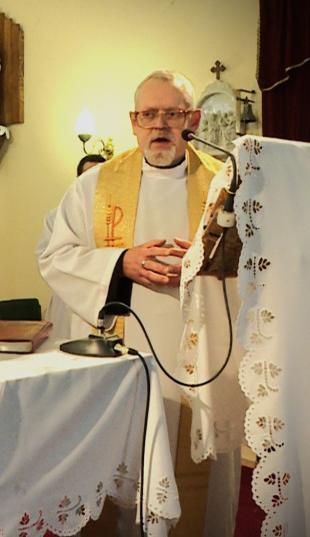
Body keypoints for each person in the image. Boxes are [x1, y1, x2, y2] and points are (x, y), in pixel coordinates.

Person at [38, 70, 238, 536]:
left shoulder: (225, 188)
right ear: (133, 122)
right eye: (149, 114)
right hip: (121, 363)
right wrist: (119, 262)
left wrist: (208, 265)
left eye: (172, 114)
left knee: (193, 487)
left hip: (199, 362)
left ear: (194, 120)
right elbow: (55, 256)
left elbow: (259, 265)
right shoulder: (93, 186)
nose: (160, 125)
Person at [35, 154, 106, 341]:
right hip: (67, 299)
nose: (93, 181)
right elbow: (45, 257)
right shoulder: (57, 215)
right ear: (78, 180)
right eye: (88, 175)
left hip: (105, 296)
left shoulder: (116, 216)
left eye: (99, 175)